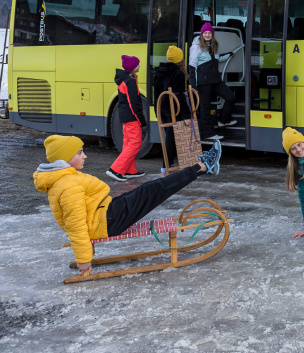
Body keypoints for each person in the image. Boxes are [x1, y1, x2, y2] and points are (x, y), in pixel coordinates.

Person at [34, 134, 221, 276]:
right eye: (80, 153)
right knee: (155, 190)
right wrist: (84, 259)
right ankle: (202, 167)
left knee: (151, 188)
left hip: (106, 213)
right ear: (64, 159)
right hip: (108, 220)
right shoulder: (67, 184)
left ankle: (201, 167)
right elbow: (75, 225)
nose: (85, 156)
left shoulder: (65, 178)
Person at [189, 22, 236, 141]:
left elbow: (217, 59)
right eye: (205, 33)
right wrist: (193, 85)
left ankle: (223, 120)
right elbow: (192, 66)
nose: (207, 34)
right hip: (203, 82)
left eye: (209, 33)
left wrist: (229, 55)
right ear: (202, 34)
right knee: (205, 107)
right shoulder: (196, 46)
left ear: (212, 35)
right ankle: (209, 133)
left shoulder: (213, 45)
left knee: (230, 97)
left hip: (215, 80)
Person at [107, 55, 148, 182]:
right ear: (132, 68)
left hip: (125, 117)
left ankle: (130, 171)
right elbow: (133, 103)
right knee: (135, 144)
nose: (139, 66)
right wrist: (141, 119)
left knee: (128, 143)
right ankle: (115, 169)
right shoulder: (130, 81)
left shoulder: (125, 79)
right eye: (137, 65)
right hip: (132, 118)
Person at [154, 45, 192, 167]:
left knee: (169, 137)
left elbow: (156, 93)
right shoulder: (178, 73)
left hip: (161, 109)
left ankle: (168, 163)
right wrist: (187, 115)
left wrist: (157, 111)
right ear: (180, 58)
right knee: (172, 139)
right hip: (174, 110)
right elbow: (179, 96)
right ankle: (166, 165)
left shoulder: (160, 71)